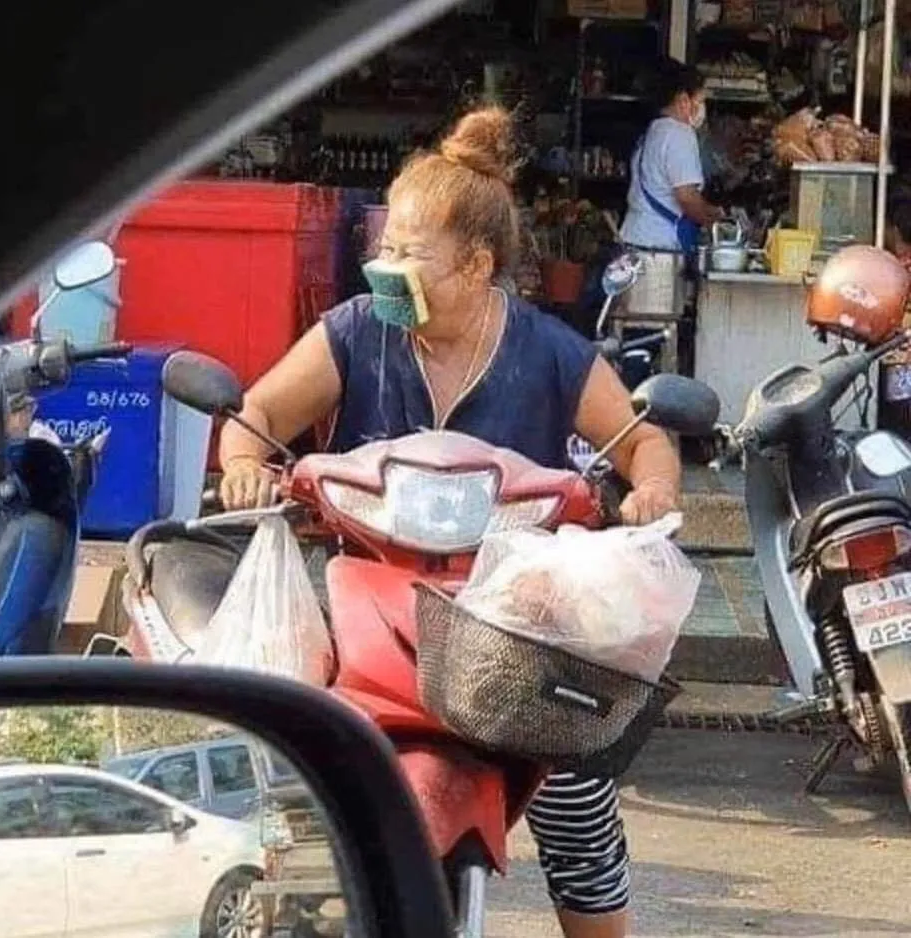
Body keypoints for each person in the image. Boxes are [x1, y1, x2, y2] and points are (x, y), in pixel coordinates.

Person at [218, 104, 681, 938]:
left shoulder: (548, 349)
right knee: (293, 774)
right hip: (364, 600)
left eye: (406, 251)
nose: (383, 264)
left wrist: (648, 495)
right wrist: (246, 466)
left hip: (509, 621)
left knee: (572, 778)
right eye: (383, 245)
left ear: (476, 265)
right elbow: (256, 414)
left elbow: (642, 442)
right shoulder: (357, 332)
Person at [620, 60, 725, 253]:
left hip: (636, 239)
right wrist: (717, 226)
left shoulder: (654, 130)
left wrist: (710, 210)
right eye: (700, 101)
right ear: (684, 100)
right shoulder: (680, 134)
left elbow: (661, 189)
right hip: (660, 247)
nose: (702, 109)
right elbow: (686, 197)